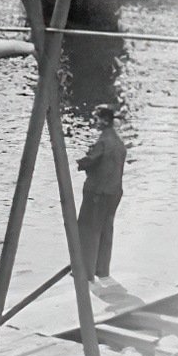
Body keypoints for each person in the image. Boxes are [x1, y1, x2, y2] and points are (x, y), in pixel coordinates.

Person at [77, 104, 127, 287]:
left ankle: (86, 273)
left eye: (96, 118)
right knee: (106, 230)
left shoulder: (103, 142)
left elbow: (90, 161)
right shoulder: (118, 142)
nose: (94, 122)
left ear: (104, 120)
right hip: (114, 193)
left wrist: (80, 162)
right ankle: (102, 270)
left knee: (88, 231)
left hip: (97, 192)